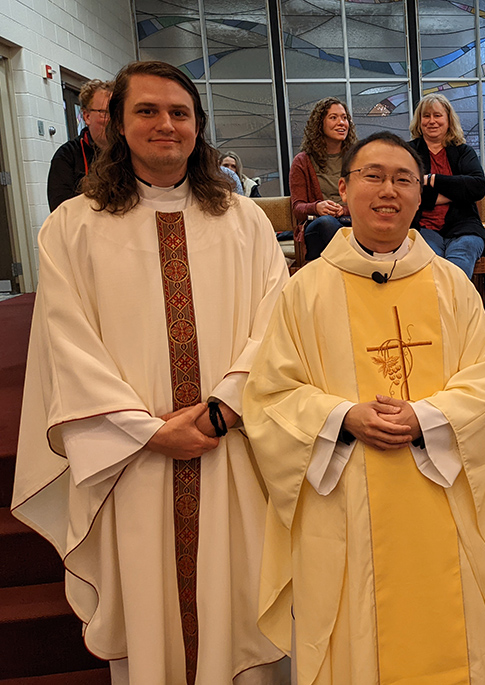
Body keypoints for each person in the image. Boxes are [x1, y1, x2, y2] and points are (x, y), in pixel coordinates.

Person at [12, 60, 289, 683]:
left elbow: (278, 325)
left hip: (233, 449)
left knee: (242, 603)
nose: (166, 125)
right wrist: (147, 431)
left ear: (198, 128)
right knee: (151, 613)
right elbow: (67, 343)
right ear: (115, 125)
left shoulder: (244, 222)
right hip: (130, 460)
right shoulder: (72, 227)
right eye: (148, 111)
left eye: (180, 113)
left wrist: (220, 410)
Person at [243, 131, 485, 684]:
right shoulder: (305, 290)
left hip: (441, 497)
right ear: (343, 190)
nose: (387, 190)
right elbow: (270, 393)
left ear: (423, 196)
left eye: (403, 179)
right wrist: (342, 417)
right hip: (344, 499)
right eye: (372, 176)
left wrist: (427, 418)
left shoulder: (452, 286)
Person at [409, 93, 485, 278]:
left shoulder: (464, 151)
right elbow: (407, 191)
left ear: (448, 120)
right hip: (423, 227)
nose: (432, 121)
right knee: (431, 266)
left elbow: (477, 187)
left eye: (438, 115)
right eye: (426, 116)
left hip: (465, 227)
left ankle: (456, 306)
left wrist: (431, 179)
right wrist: (459, 192)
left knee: (458, 267)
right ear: (419, 121)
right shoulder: (408, 152)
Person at [290, 97, 356, 261]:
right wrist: (317, 207)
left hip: (352, 221)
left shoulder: (357, 158)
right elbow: (298, 208)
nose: (341, 123)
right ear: (320, 124)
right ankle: (354, 264)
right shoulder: (302, 161)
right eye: (333, 118)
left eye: (344, 118)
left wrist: (345, 210)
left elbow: (369, 199)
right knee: (327, 223)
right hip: (319, 226)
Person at [47, 78, 113, 211]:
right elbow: (61, 212)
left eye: (116, 112)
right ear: (87, 116)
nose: (112, 119)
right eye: (104, 113)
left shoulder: (133, 151)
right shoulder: (66, 156)